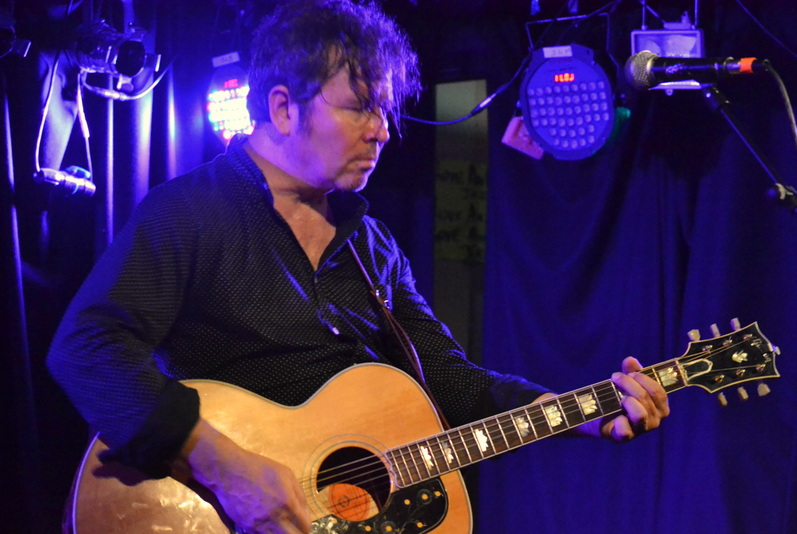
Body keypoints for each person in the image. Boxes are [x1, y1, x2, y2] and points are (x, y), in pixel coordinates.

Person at [47, 1, 670, 533]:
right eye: (361, 108)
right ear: (284, 108)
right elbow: (86, 347)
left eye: (385, 112)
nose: (382, 132)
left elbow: (449, 382)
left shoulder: (373, 248)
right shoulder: (190, 213)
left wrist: (582, 412)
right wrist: (227, 468)